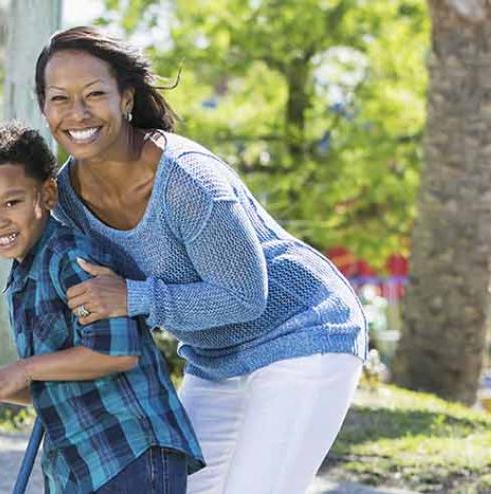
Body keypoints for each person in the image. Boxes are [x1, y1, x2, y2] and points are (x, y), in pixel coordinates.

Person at [36, 26, 368, 493]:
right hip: (215, 358)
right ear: (43, 107)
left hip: (302, 333)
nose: (77, 113)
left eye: (94, 94)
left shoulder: (189, 181)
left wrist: (133, 296)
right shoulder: (68, 197)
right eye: (60, 99)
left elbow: (245, 297)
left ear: (126, 98)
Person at [0, 122, 202, 493]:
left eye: (12, 202)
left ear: (48, 195)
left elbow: (116, 353)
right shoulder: (24, 276)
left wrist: (21, 369)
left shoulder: (71, 258)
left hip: (128, 455)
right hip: (83, 466)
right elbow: (52, 381)